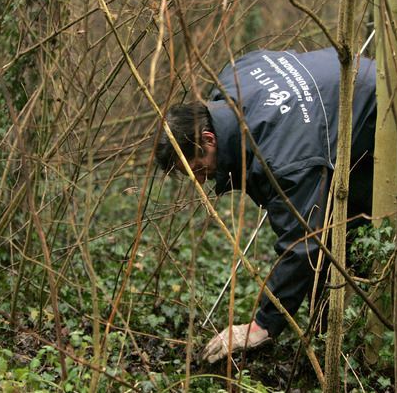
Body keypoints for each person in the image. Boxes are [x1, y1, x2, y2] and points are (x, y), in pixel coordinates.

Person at [154, 47, 378, 364]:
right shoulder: (230, 78)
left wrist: (262, 325)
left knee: (341, 234)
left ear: (208, 139)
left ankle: (352, 349)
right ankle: (325, 334)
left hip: (384, 113)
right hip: (341, 84)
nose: (200, 181)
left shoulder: (284, 160)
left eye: (197, 169)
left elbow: (302, 243)